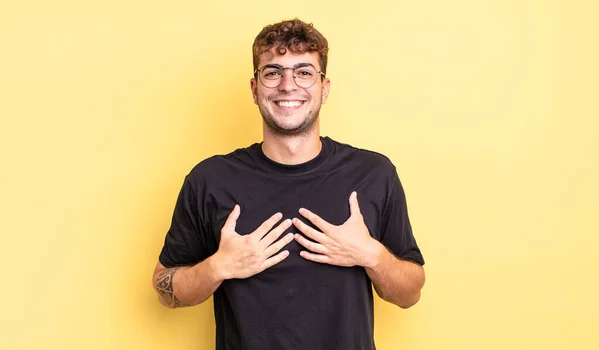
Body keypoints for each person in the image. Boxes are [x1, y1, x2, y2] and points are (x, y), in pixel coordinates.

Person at [152, 18, 425, 350]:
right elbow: (164, 288)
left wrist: (371, 255)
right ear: (255, 89)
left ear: (324, 88)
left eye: (304, 72)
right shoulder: (209, 180)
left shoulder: (373, 174)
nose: (287, 85)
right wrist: (218, 267)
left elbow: (410, 294)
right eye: (272, 72)